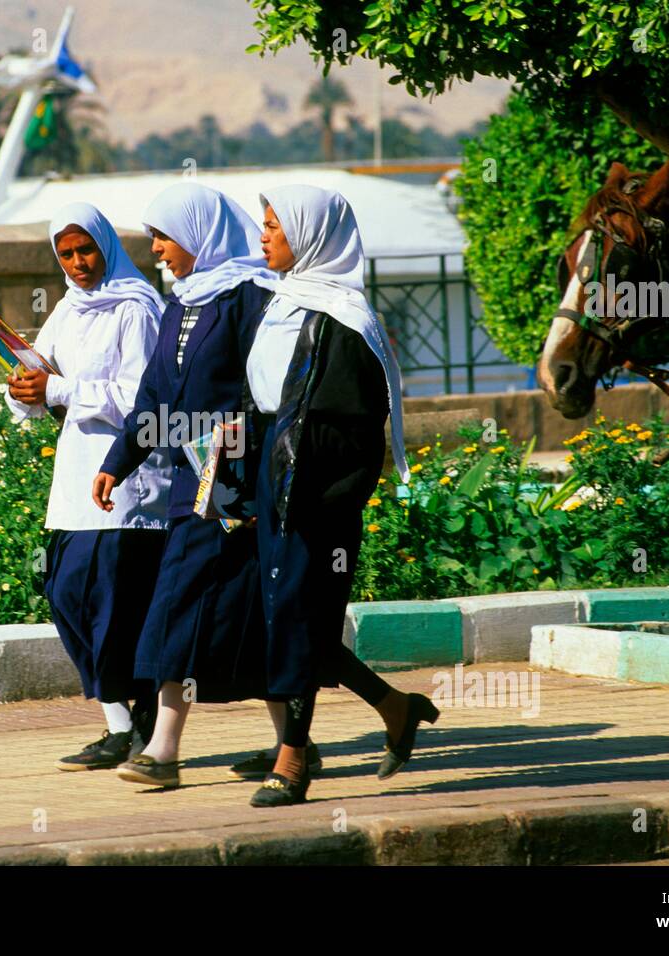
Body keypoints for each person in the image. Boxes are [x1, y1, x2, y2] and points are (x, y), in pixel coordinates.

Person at [93, 182, 319, 789]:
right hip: (185, 486)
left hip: (233, 485)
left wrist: (233, 450)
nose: (158, 250)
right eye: (152, 239)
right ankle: (293, 743)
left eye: (165, 237)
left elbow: (266, 392)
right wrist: (121, 460)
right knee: (251, 614)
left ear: (199, 234)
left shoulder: (252, 300)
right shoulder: (181, 304)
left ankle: (162, 752)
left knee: (178, 600)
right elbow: (153, 399)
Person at [244, 184, 439, 807]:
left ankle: (293, 759)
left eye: (276, 225)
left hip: (318, 497)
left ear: (310, 233)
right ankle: (397, 708)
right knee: (295, 623)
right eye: (264, 225)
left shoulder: (347, 322)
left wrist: (326, 502)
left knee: (301, 622)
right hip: (274, 487)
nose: (265, 236)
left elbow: (357, 433)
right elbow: (268, 402)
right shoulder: (281, 304)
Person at [6, 202, 171, 772]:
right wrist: (25, 388)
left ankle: (143, 725)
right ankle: (120, 726)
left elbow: (139, 398)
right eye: (67, 254)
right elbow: (42, 380)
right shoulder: (68, 311)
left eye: (86, 250)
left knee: (114, 608)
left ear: (106, 245)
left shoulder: (137, 307)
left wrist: (59, 389)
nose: (77, 263)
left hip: (129, 486)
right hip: (77, 483)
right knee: (67, 596)